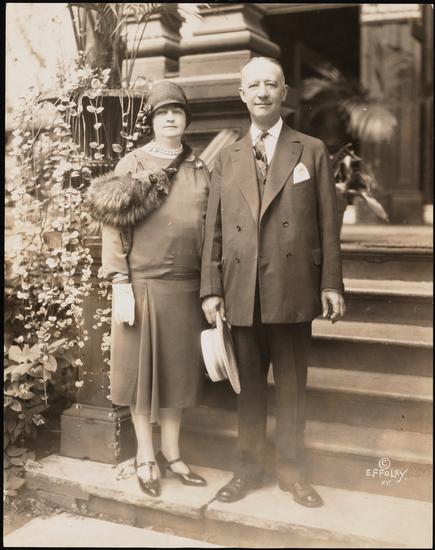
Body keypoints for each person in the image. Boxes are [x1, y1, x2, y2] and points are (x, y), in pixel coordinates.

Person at [200, 57, 345, 508]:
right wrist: (211, 288)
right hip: (242, 288)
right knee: (248, 392)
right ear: (242, 95)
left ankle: (293, 474)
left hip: (292, 285)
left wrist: (332, 283)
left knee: (291, 389)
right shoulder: (227, 156)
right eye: (253, 85)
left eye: (271, 84)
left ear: (284, 94)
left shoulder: (312, 149)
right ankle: (245, 471)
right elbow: (214, 228)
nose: (262, 92)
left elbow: (328, 221)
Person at [87, 80, 209, 497]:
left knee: (176, 376)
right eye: (162, 112)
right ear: (152, 120)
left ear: (186, 118)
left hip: (186, 287)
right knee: (142, 379)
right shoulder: (133, 165)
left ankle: (173, 455)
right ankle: (145, 456)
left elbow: (212, 228)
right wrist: (120, 280)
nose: (171, 117)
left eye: (177, 111)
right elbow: (113, 226)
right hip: (141, 286)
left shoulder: (199, 166)